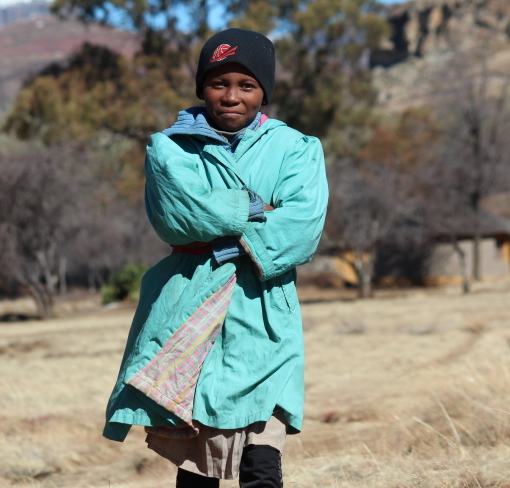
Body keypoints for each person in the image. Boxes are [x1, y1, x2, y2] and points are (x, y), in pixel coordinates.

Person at [103, 28, 329, 487]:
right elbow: (178, 217)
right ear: (201, 88)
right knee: (197, 466)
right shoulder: (169, 149)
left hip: (265, 314)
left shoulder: (296, 149)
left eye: (246, 85)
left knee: (262, 464)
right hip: (189, 310)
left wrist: (222, 235)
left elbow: (301, 229)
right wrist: (256, 208)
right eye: (218, 83)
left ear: (264, 92)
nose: (231, 96)